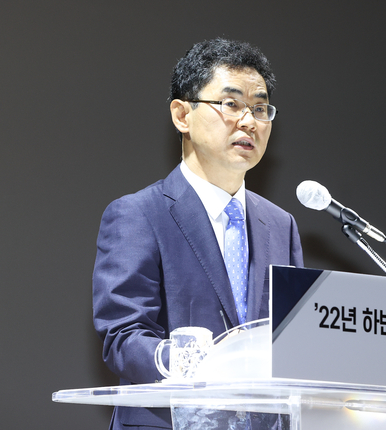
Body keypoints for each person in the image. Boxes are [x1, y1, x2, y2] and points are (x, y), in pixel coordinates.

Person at [92, 38, 304, 429]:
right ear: (182, 115)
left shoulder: (280, 225)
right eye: (231, 104)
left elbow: (291, 342)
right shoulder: (139, 215)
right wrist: (199, 364)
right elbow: (123, 337)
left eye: (260, 108)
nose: (249, 121)